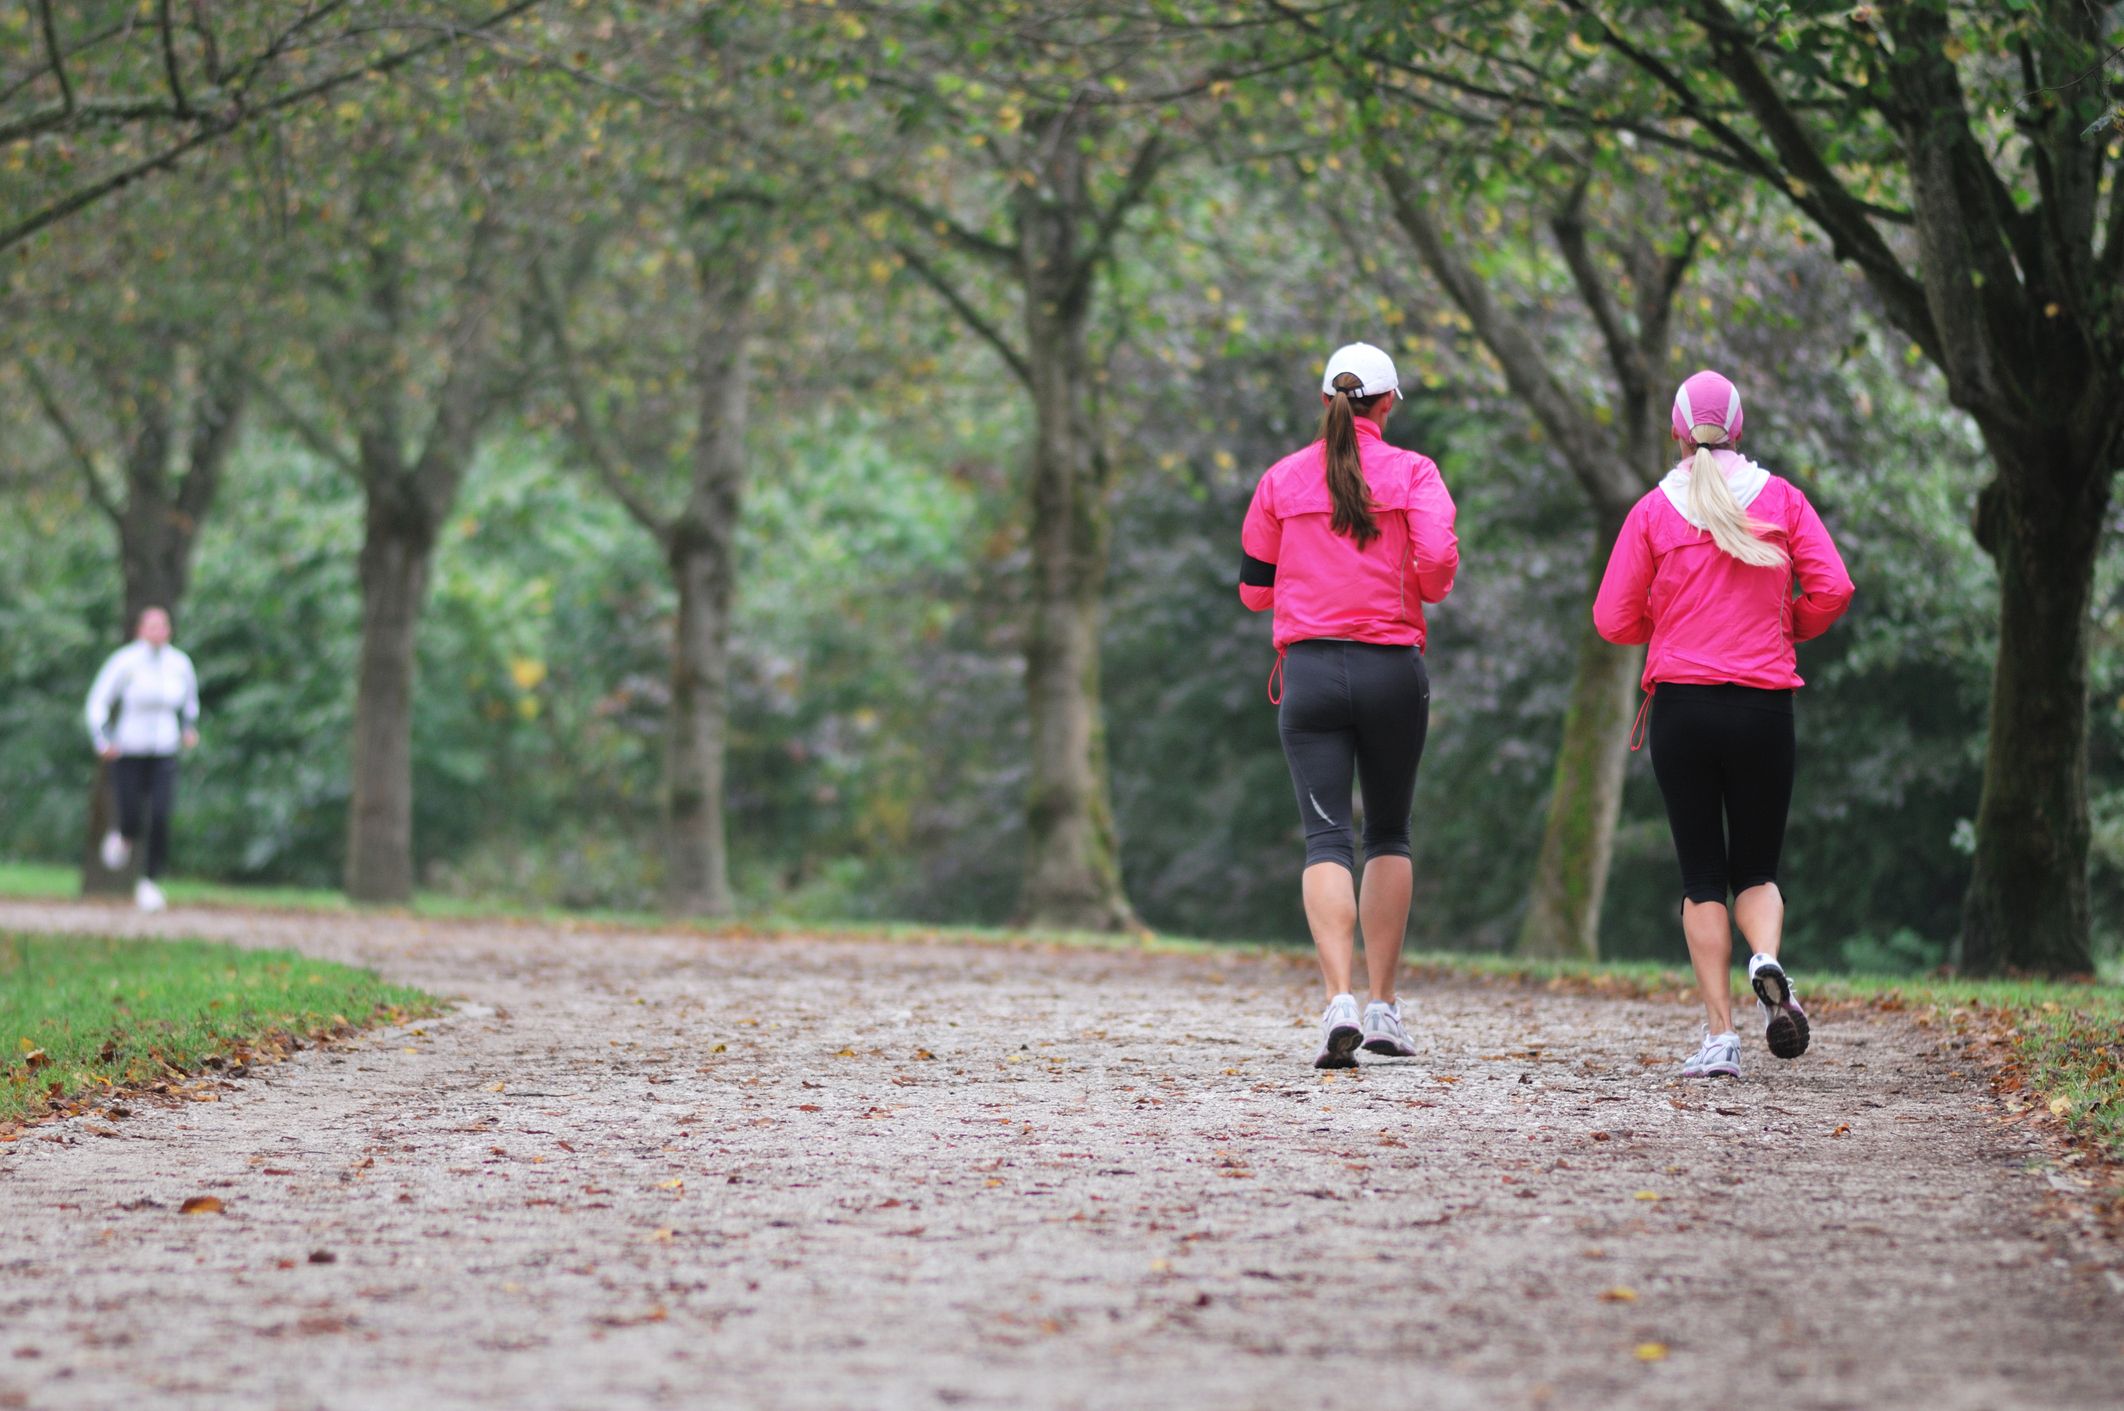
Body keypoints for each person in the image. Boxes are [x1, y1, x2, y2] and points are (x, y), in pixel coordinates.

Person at [1594, 370, 1854, 1079]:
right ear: (1739, 428)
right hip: (1764, 706)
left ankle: (1719, 1038)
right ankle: (1766, 960)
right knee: (1758, 869)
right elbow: (1834, 587)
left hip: (1684, 708)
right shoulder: (1784, 500)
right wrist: (1785, 626)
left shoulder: (1653, 510)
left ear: (1676, 431)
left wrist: (1671, 622)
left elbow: (1612, 617)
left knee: (1702, 876)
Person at [1239, 342, 1458, 1068]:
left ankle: (1337, 999)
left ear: (1324, 401)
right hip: (1392, 671)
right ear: (1389, 402)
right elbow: (1439, 568)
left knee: (1325, 839)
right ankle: (1384, 1009)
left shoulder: (1279, 480)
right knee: (1388, 833)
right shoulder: (1414, 472)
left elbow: (1253, 587)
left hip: (1308, 675)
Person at [84, 606, 200, 913]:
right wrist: (102, 738)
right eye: (151, 626)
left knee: (161, 814)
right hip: (128, 749)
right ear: (140, 629)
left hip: (164, 749)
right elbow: (98, 700)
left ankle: (150, 881)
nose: (157, 631)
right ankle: (123, 834)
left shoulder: (179, 663)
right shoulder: (125, 661)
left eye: (162, 626)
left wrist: (188, 728)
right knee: (132, 814)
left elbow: (190, 703)